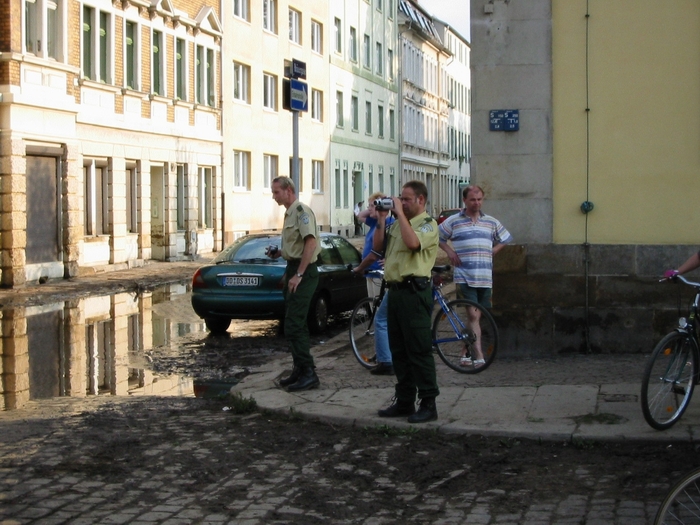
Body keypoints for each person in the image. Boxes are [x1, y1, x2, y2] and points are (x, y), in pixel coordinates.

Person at [373, 180, 439, 423]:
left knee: (419, 350)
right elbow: (378, 247)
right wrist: (382, 220)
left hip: (414, 293)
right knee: (399, 351)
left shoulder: (428, 224)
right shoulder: (396, 225)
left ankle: (429, 403)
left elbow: (412, 243)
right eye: (401, 198)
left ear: (421, 200)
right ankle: (405, 400)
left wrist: (399, 213)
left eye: (407, 199)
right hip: (396, 292)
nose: (402, 202)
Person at [438, 185, 512, 368]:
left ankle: (464, 352)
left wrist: (494, 250)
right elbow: (437, 237)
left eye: (479, 199)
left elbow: (506, 238)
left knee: (476, 318)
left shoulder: (490, 221)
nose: (476, 203)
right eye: (472, 200)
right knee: (472, 315)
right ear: (465, 200)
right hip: (465, 275)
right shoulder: (454, 221)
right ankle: (478, 355)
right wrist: (449, 251)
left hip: (484, 276)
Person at [268, 176, 322, 392]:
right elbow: (297, 246)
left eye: (276, 192)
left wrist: (299, 274)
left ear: (288, 190)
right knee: (294, 323)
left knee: (293, 324)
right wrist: (280, 253)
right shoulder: (290, 213)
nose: (274, 196)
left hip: (304, 271)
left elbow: (311, 242)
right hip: (294, 268)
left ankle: (308, 372)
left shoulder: (301, 212)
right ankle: (300, 369)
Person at [352, 193, 396, 375]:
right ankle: (382, 351)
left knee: (381, 316)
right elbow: (359, 216)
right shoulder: (373, 223)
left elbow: (381, 250)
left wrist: (380, 211)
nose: (370, 208)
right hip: (370, 273)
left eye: (373, 205)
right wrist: (374, 209)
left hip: (379, 272)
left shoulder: (389, 223)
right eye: (370, 205)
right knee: (375, 312)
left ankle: (385, 355)